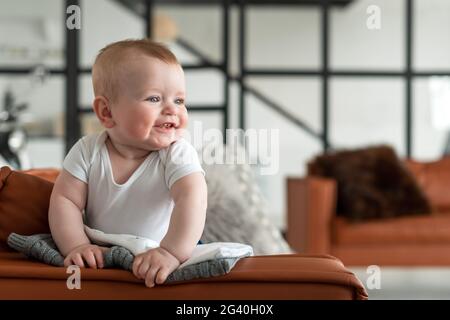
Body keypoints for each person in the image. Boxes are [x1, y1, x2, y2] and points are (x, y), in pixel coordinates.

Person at [48, 39, 207, 288]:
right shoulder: (88, 150)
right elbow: (65, 200)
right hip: (103, 249)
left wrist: (171, 252)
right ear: (106, 112)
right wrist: (77, 245)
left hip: (163, 246)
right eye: (154, 99)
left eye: (179, 100)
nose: (171, 110)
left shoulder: (176, 153)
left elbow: (192, 199)